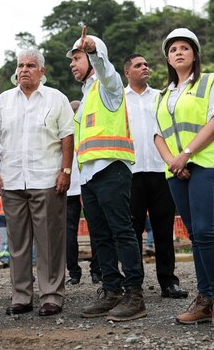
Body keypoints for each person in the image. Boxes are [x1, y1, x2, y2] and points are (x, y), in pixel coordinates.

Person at [153, 28, 214, 328]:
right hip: (176, 169)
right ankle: (205, 299)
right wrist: (174, 162)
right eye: (173, 49)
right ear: (168, 59)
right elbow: (157, 134)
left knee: (205, 231)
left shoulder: (210, 81)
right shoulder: (163, 94)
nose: (178, 52)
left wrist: (185, 154)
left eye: (184, 48)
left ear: (195, 54)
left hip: (206, 163)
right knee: (194, 235)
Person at [0, 48, 74, 317]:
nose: (24, 69)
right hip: (11, 181)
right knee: (17, 243)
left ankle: (51, 296)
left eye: (30, 65)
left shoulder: (56, 99)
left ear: (42, 71)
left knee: (49, 242)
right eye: (21, 65)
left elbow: (67, 136)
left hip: (47, 179)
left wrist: (66, 171)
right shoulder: (4, 100)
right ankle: (21, 296)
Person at [69, 28, 145, 322]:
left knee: (122, 232)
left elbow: (106, 70)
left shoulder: (108, 86)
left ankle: (135, 294)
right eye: (72, 59)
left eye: (77, 58)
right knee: (100, 236)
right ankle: (111, 290)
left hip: (112, 168)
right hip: (89, 176)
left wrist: (93, 52)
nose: (73, 64)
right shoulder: (86, 95)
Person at [123, 53, 187, 299]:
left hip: (162, 171)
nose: (145, 67)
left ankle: (168, 282)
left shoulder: (161, 97)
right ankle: (134, 284)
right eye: (138, 65)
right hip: (131, 172)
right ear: (127, 72)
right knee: (132, 231)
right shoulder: (119, 99)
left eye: (146, 64)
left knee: (163, 229)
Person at [65, 101, 102, 286]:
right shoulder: (89, 126)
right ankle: (97, 271)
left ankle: (74, 273)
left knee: (69, 230)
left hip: (69, 186)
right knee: (96, 228)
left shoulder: (64, 128)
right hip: (88, 182)